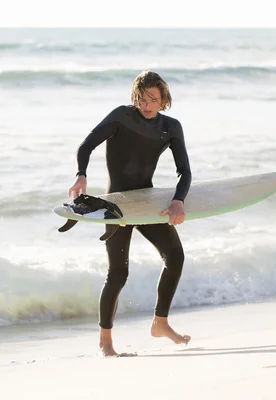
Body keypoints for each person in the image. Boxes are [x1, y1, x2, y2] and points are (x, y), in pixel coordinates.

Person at [67, 71, 192, 357]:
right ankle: (105, 342)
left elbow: (184, 171)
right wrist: (81, 174)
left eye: (153, 99)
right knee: (118, 274)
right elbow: (86, 145)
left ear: (164, 101)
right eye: (141, 98)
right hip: (118, 206)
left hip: (146, 203)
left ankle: (160, 323)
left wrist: (177, 201)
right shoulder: (121, 117)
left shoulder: (171, 127)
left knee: (175, 257)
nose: (147, 105)